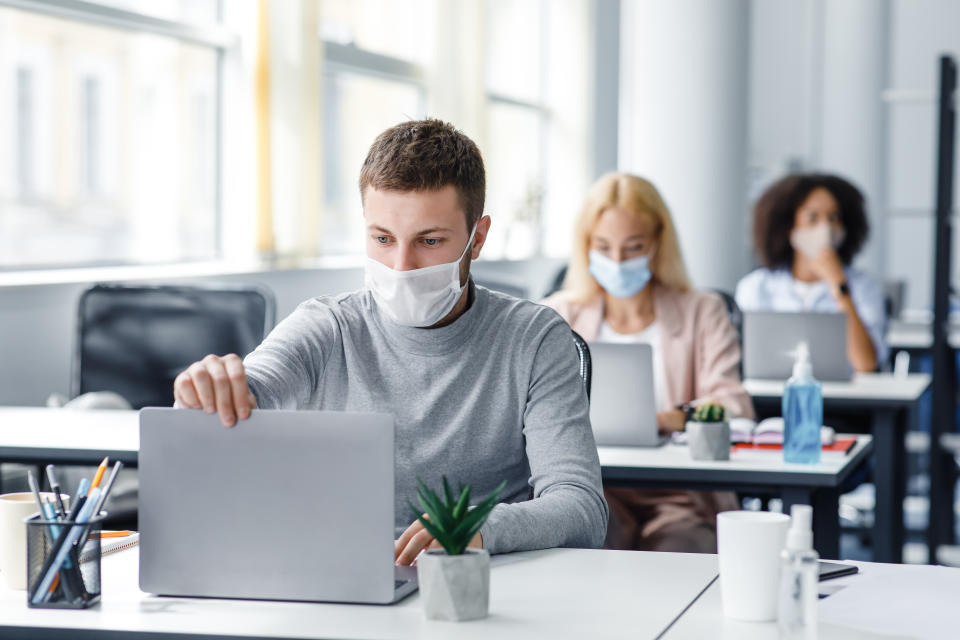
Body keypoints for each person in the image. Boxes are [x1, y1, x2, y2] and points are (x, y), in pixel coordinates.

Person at [172, 119, 607, 565]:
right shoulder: (327, 325)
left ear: (476, 239)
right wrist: (214, 390)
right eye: (382, 239)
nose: (401, 266)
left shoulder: (534, 338)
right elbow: (257, 384)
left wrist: (478, 529)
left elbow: (582, 509)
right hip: (342, 575)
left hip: (479, 580)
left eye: (430, 240)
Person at [542, 172, 753, 553]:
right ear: (586, 245)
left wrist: (666, 420)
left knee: (679, 549)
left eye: (633, 247)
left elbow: (733, 405)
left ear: (658, 243)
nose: (618, 261)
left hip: (683, 495)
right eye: (603, 247)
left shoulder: (703, 311)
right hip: (595, 488)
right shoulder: (558, 314)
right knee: (595, 546)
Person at [735, 173, 888, 372]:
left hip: (844, 402)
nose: (825, 227)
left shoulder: (864, 287)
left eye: (833, 218)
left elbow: (866, 364)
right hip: (770, 400)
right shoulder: (756, 287)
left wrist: (839, 284)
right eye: (812, 217)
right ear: (788, 226)